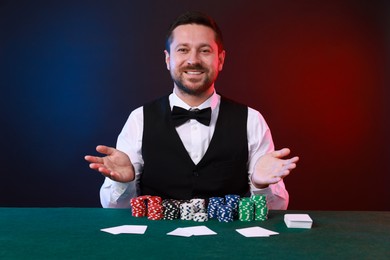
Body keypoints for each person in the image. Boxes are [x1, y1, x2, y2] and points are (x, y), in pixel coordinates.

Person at [85, 11, 299, 210]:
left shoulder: (252, 120)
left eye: (205, 50)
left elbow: (277, 209)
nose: (193, 60)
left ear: (221, 59)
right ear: (168, 59)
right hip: (155, 244)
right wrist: (126, 182)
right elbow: (115, 208)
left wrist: (260, 185)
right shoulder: (139, 119)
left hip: (230, 247)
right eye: (183, 50)